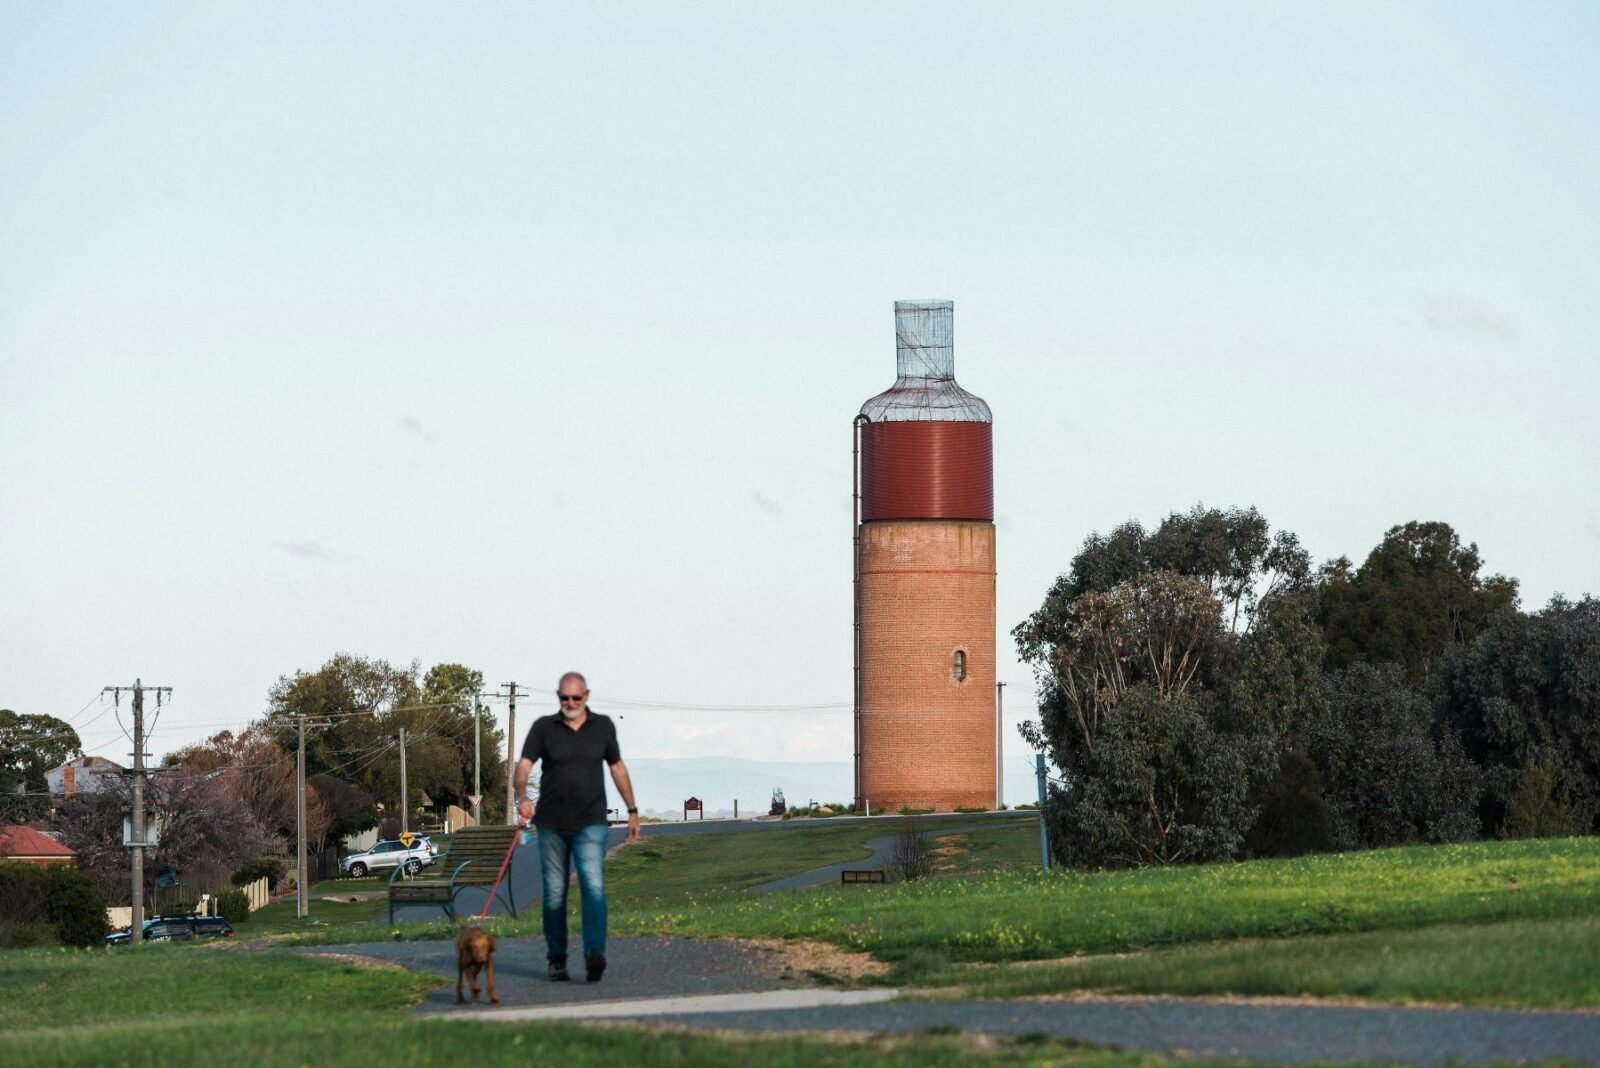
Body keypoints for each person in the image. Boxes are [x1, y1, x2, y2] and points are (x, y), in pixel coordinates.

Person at [513, 671, 641, 983]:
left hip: (591, 822)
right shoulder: (543, 728)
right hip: (551, 824)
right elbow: (524, 766)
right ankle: (556, 959)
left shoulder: (602, 726)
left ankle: (595, 953)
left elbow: (617, 767)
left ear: (586, 696)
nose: (570, 703)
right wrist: (521, 796)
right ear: (558, 697)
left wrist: (633, 810)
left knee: (593, 887)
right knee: (555, 893)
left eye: (576, 697)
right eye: (564, 698)